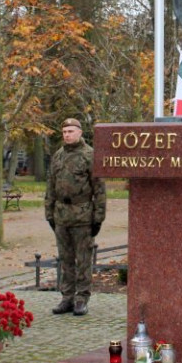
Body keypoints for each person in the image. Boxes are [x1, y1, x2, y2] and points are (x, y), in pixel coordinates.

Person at [44, 117, 106, 317]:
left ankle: (81, 298)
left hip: (82, 215)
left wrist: (98, 217)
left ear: (79, 132)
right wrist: (49, 213)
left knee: (83, 259)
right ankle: (67, 297)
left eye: (70, 131)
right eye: (64, 132)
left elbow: (99, 189)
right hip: (61, 215)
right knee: (65, 259)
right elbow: (50, 186)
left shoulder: (89, 155)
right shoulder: (58, 156)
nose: (67, 135)